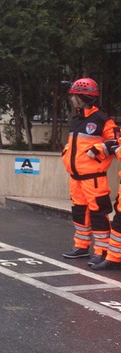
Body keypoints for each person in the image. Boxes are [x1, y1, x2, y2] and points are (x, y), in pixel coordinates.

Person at [60, 78, 116, 265]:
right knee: (79, 212)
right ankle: (81, 246)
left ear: (84, 97)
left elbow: (116, 142)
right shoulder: (77, 119)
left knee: (98, 214)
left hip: (94, 179)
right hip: (76, 178)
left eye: (74, 96)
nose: (72, 99)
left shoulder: (102, 120)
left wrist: (99, 149)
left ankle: (101, 251)